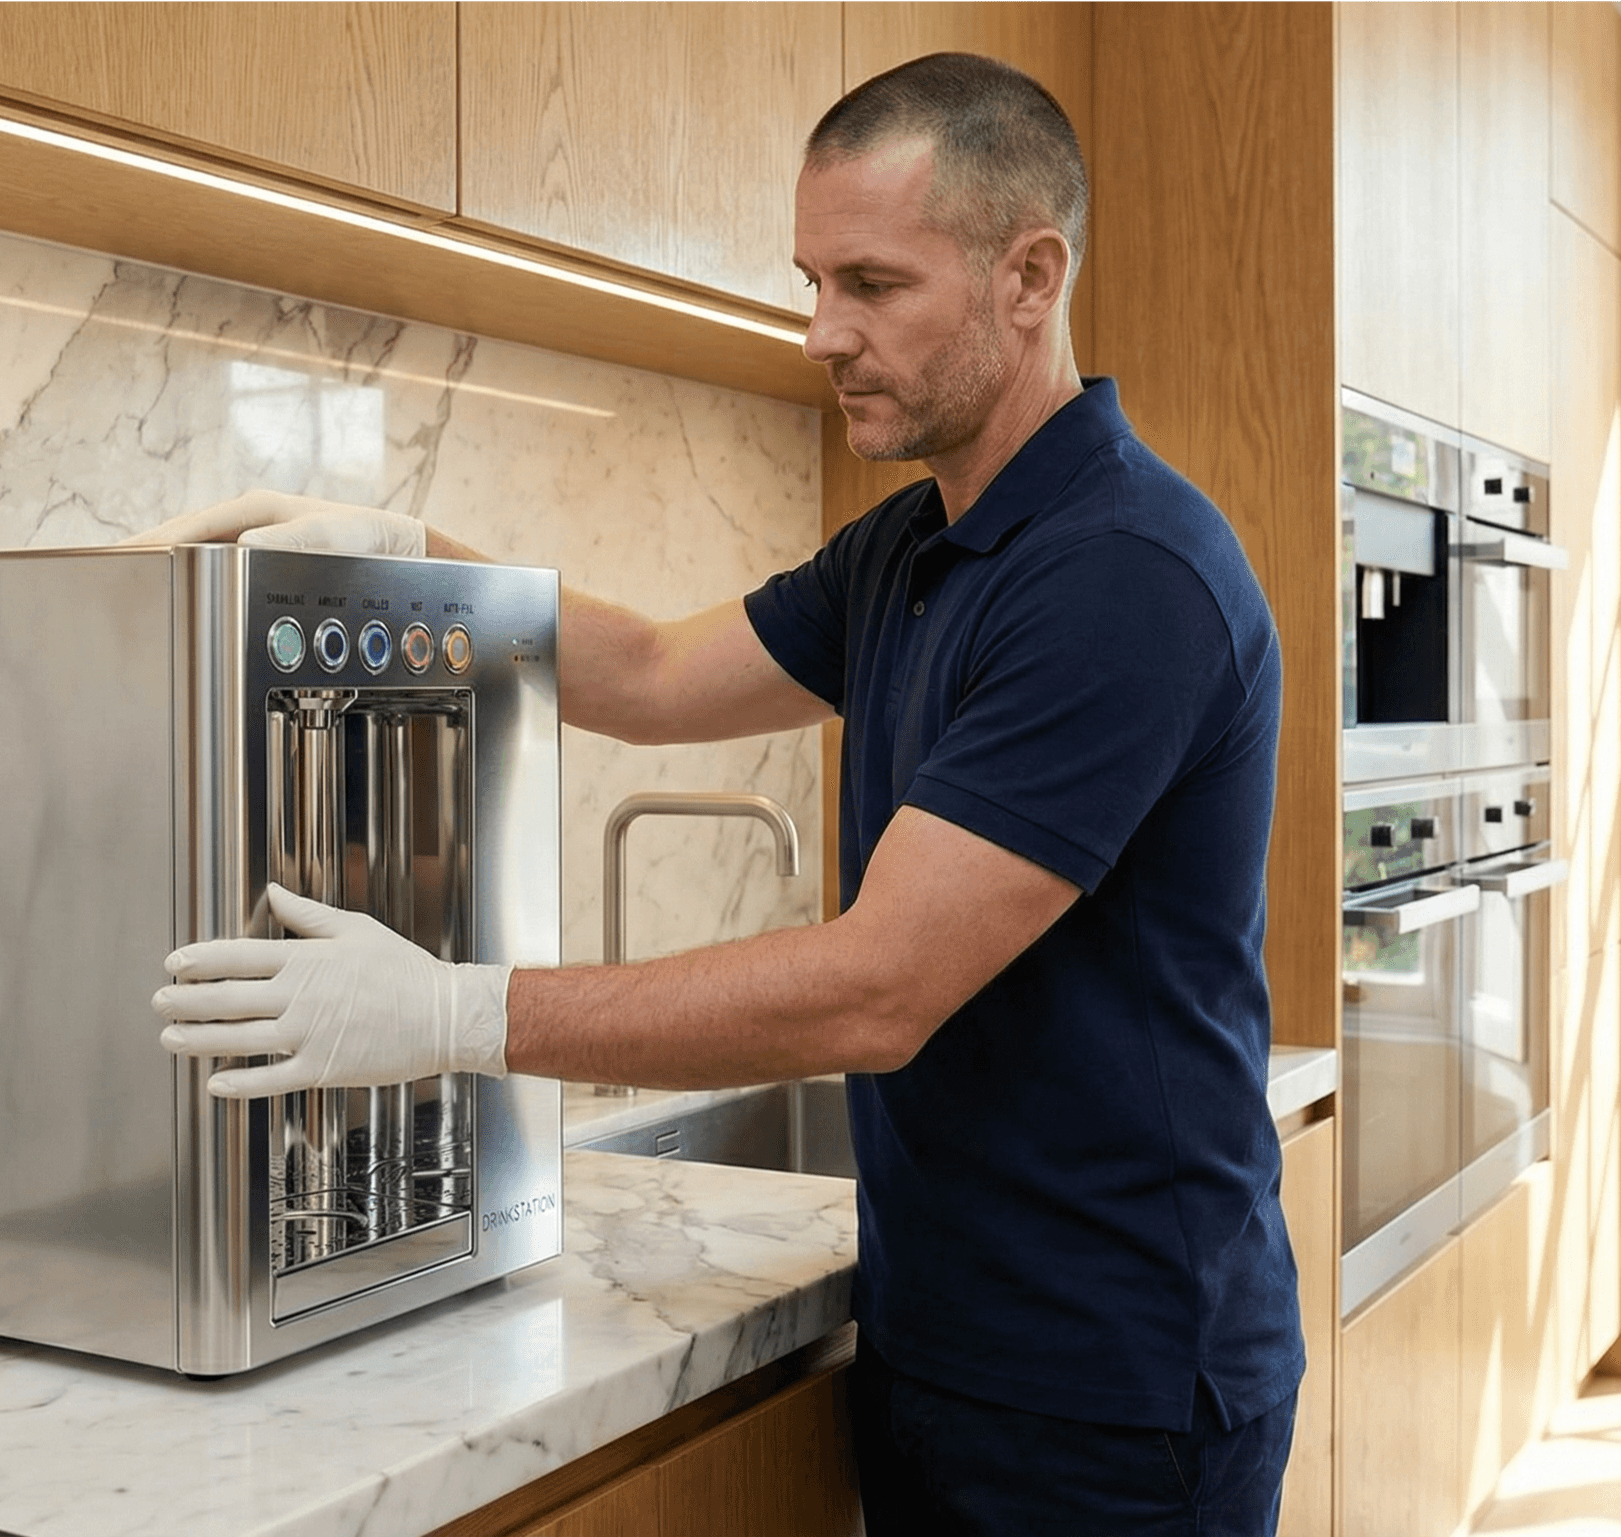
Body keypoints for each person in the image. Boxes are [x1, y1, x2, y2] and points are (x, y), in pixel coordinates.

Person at [139, 52, 1301, 1536]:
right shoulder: (911, 547)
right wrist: (402, 555)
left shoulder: (1120, 575)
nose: (822, 334)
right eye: (813, 282)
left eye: (872, 285)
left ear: (1032, 276)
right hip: (953, 1337)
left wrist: (457, 1012)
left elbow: (876, 990)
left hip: (1115, 1389)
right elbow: (652, 673)